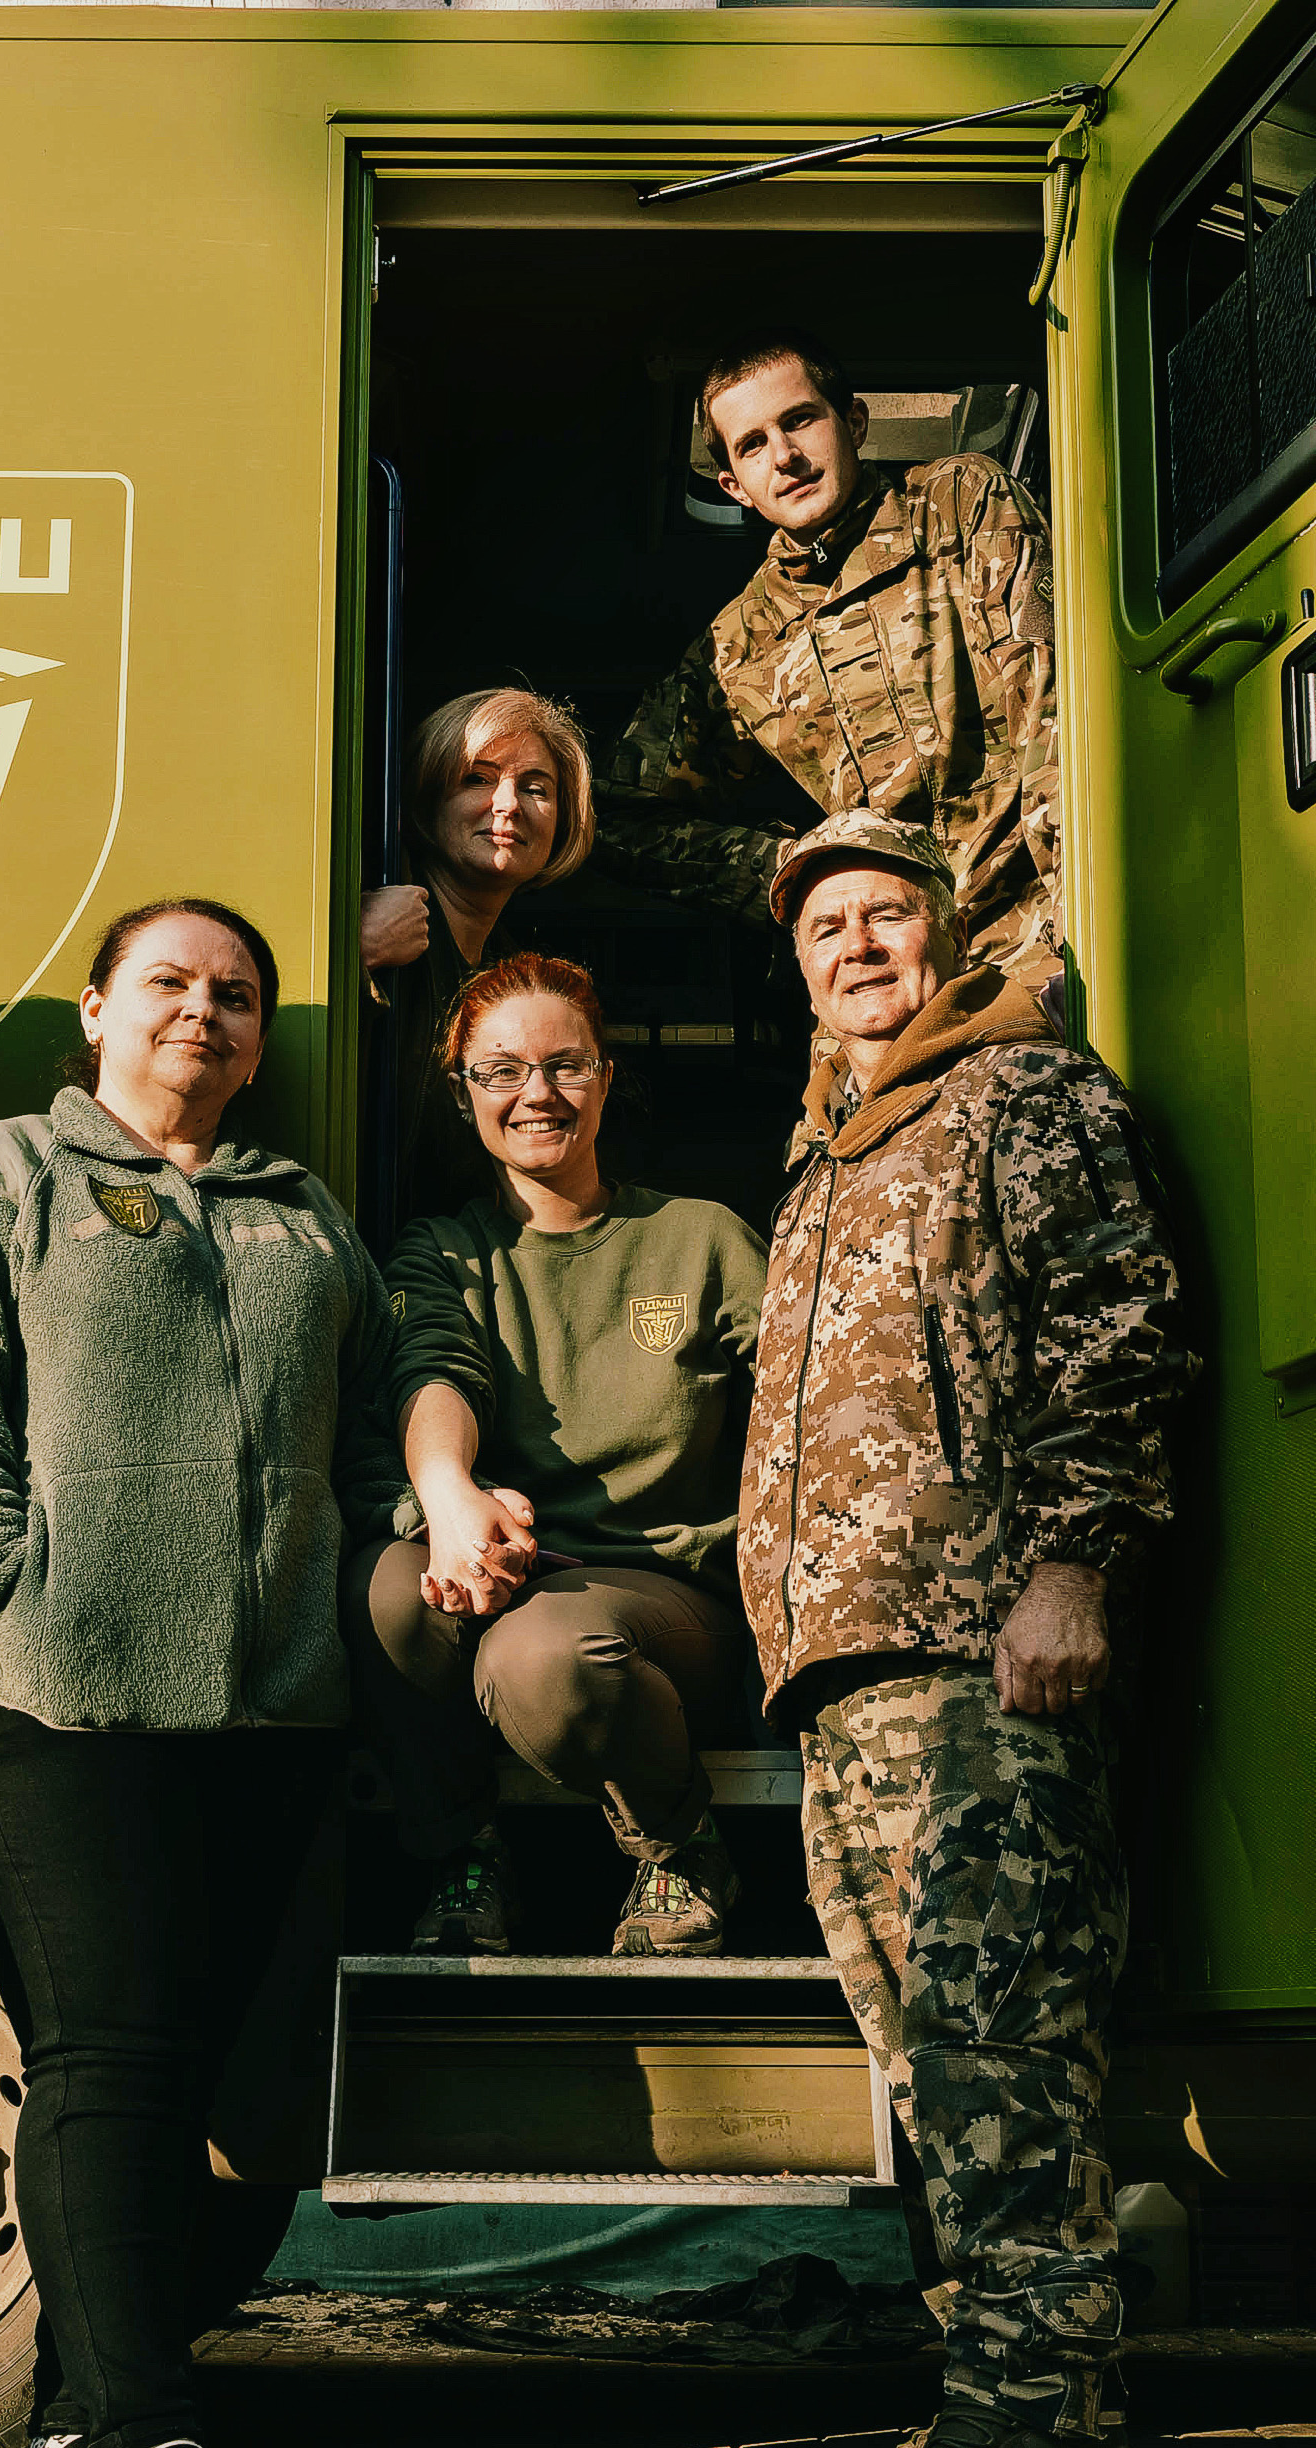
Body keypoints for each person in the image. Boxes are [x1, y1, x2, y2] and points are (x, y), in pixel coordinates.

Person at [0, 898, 399, 2448]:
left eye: (235, 994)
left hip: (274, 1706)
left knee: (216, 2078)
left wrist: (380, 1560)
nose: (203, 1011)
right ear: (96, 1013)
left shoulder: (302, 1212)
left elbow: (371, 1420)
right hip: (58, 1701)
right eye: (168, 983)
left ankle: (68, 2422)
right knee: (107, 2055)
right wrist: (6, 1600)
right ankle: (141, 2444)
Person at [736, 812, 1189, 2448]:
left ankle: (1036, 2419)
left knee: (1004, 2041)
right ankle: (1022, 2402)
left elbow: (1117, 1331)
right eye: (825, 927)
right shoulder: (831, 1142)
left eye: (885, 915)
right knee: (927, 2059)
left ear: (945, 933)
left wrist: (1071, 1570)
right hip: (844, 1668)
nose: (856, 945)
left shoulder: (1022, 1096)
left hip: (979, 1650)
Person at [348, 952, 770, 1959]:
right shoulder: (443, 1250)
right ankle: (463, 1851)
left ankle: (679, 1845)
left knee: (541, 1655)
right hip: (500, 1566)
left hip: (667, 1603)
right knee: (387, 1593)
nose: (536, 1093)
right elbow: (432, 1367)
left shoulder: (702, 1239)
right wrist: (452, 1502)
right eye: (501, 1071)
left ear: (606, 1079)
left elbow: (806, 1401)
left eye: (565, 1065)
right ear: (464, 1096)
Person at [598, 333, 1066, 1000]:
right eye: (752, 445)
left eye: (799, 420)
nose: (784, 456)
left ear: (854, 422)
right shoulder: (738, 643)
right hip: (880, 975)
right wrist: (803, 868)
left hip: (1039, 939)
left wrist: (1077, 920)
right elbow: (615, 820)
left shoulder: (956, 504)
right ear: (734, 486)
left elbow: (1052, 707)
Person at [357, 687, 597, 1234]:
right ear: (426, 799)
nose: (508, 804)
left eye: (535, 788)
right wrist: (353, 954)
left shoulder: (516, 971)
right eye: (477, 780)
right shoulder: (375, 925)